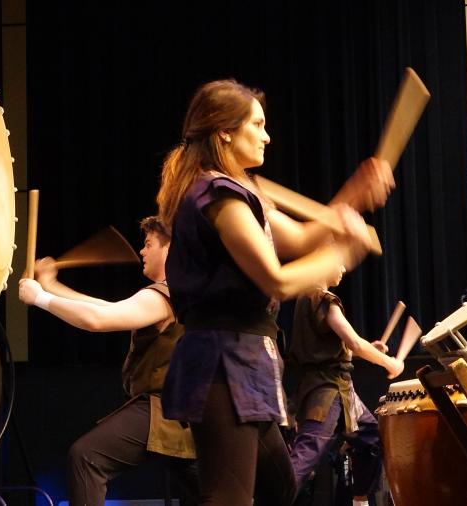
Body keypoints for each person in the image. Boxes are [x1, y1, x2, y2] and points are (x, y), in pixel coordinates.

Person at [156, 79, 394, 505]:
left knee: (279, 488)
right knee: (229, 499)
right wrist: (345, 250)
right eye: (258, 125)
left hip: (246, 363)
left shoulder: (242, 192)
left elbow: (303, 237)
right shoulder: (219, 196)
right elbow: (277, 280)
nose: (267, 135)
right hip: (222, 363)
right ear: (225, 131)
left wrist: (354, 196)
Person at [18, 217, 198, 506]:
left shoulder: (164, 294)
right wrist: (51, 287)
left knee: (86, 458)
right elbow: (107, 309)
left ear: (170, 249)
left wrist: (40, 298)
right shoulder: (178, 293)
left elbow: (98, 319)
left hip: (162, 409)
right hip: (182, 414)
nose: (142, 251)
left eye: (148, 244)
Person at [287, 273, 404, 505]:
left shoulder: (305, 298)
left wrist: (370, 349)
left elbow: (334, 346)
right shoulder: (324, 299)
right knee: (306, 454)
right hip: (328, 390)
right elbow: (353, 342)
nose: (342, 268)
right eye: (338, 260)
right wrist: (390, 363)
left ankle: (359, 499)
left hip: (337, 389)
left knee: (371, 438)